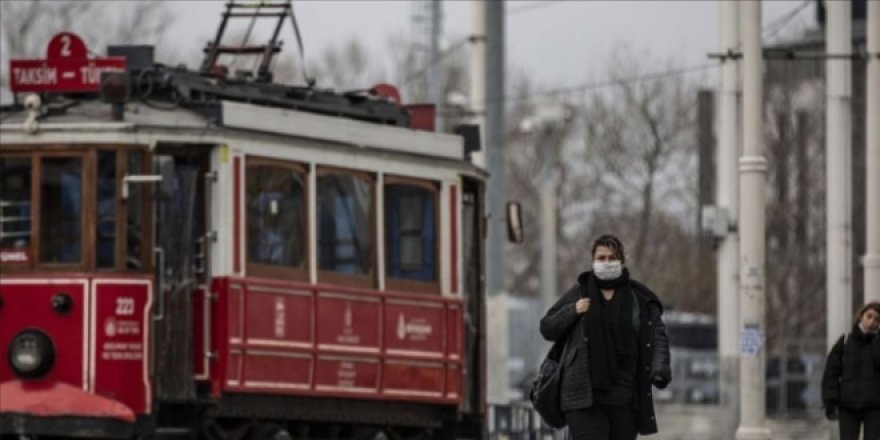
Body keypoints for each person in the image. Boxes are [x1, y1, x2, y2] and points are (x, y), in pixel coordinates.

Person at [539, 233, 671, 440]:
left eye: (611, 258)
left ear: (622, 261)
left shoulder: (639, 299)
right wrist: (573, 310)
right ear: (592, 261)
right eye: (601, 258)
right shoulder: (580, 292)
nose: (606, 262)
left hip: (625, 398)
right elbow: (547, 327)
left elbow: (658, 337)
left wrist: (660, 368)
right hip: (583, 397)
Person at [821, 301, 880, 440]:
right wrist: (830, 401)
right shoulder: (845, 341)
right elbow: (831, 373)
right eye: (869, 316)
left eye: (877, 319)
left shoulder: (878, 343)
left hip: (875, 406)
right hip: (848, 405)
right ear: (861, 316)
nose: (872, 321)